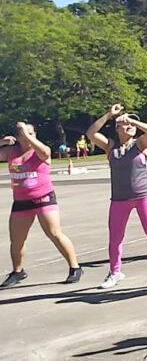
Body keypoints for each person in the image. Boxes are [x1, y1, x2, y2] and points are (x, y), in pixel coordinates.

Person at [85, 105, 147, 289]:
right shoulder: (110, 146)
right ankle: (115, 272)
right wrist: (110, 115)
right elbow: (91, 133)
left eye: (132, 124)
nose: (128, 126)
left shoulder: (140, 145)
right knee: (115, 237)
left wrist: (133, 120)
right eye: (124, 123)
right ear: (117, 128)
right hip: (119, 199)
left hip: (143, 195)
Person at [1, 122, 83, 287]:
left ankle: (75, 267)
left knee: (54, 233)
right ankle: (18, 271)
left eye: (31, 133)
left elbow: (45, 152)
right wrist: (2, 142)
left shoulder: (39, 151)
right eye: (23, 134)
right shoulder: (12, 151)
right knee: (17, 240)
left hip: (43, 198)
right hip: (21, 202)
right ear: (17, 138)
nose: (27, 137)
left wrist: (28, 136)